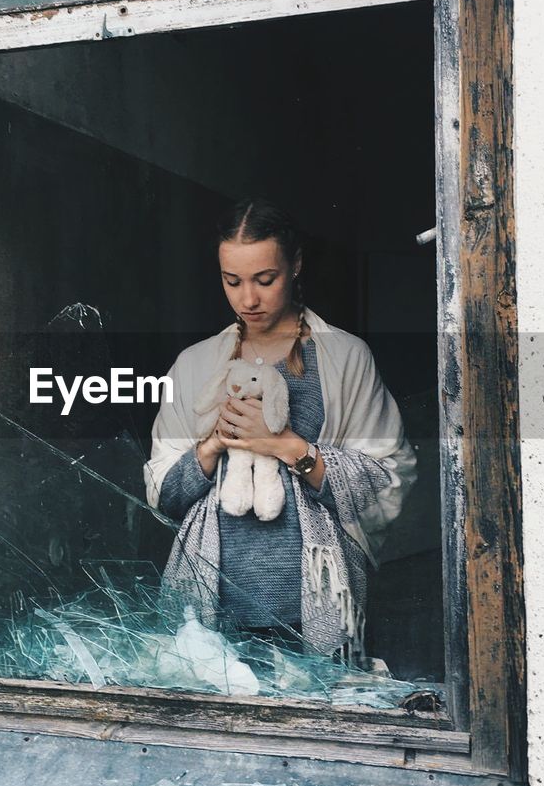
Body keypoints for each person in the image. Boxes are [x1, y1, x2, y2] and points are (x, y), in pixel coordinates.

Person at [143, 199, 418, 660]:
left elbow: (390, 479)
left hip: (313, 605)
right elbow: (164, 496)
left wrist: (288, 446)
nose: (247, 299)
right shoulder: (194, 366)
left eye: (264, 280)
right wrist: (214, 445)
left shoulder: (345, 358)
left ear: (296, 266)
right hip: (211, 608)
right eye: (232, 281)